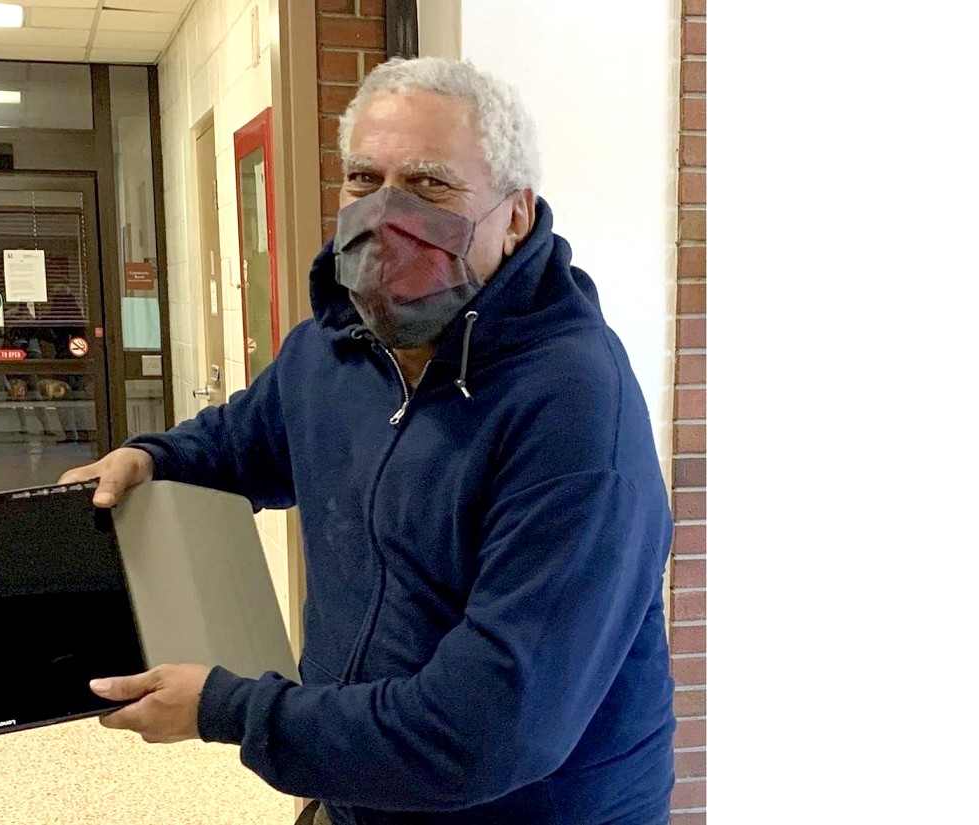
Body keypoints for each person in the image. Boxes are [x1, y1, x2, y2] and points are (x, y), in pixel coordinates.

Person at [59, 57, 676, 825]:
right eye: (363, 178)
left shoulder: (577, 413)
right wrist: (152, 456)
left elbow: (482, 731)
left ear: (515, 214)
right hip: (361, 798)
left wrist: (229, 709)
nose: (387, 214)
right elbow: (243, 443)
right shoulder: (335, 343)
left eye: (429, 184)